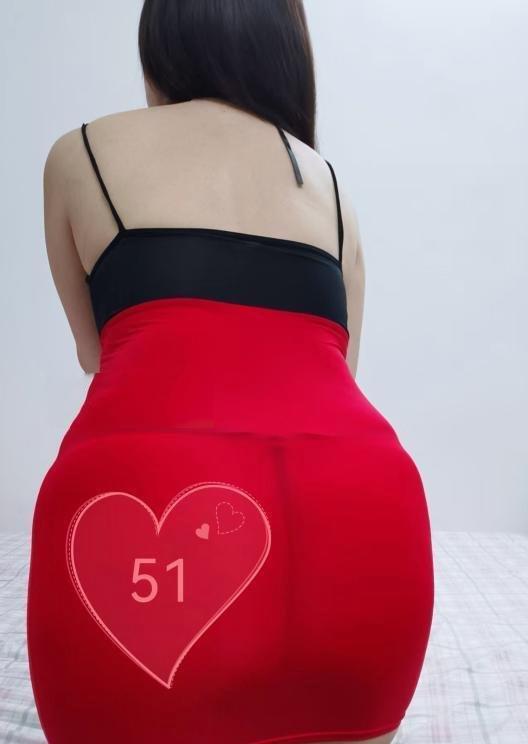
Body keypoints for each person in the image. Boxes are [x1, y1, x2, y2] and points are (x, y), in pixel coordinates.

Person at [26, 1, 435, 742]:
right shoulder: (330, 187)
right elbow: (342, 373)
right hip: (364, 542)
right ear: (284, 46)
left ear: (162, 37)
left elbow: (96, 356)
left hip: (151, 551)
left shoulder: (80, 153)